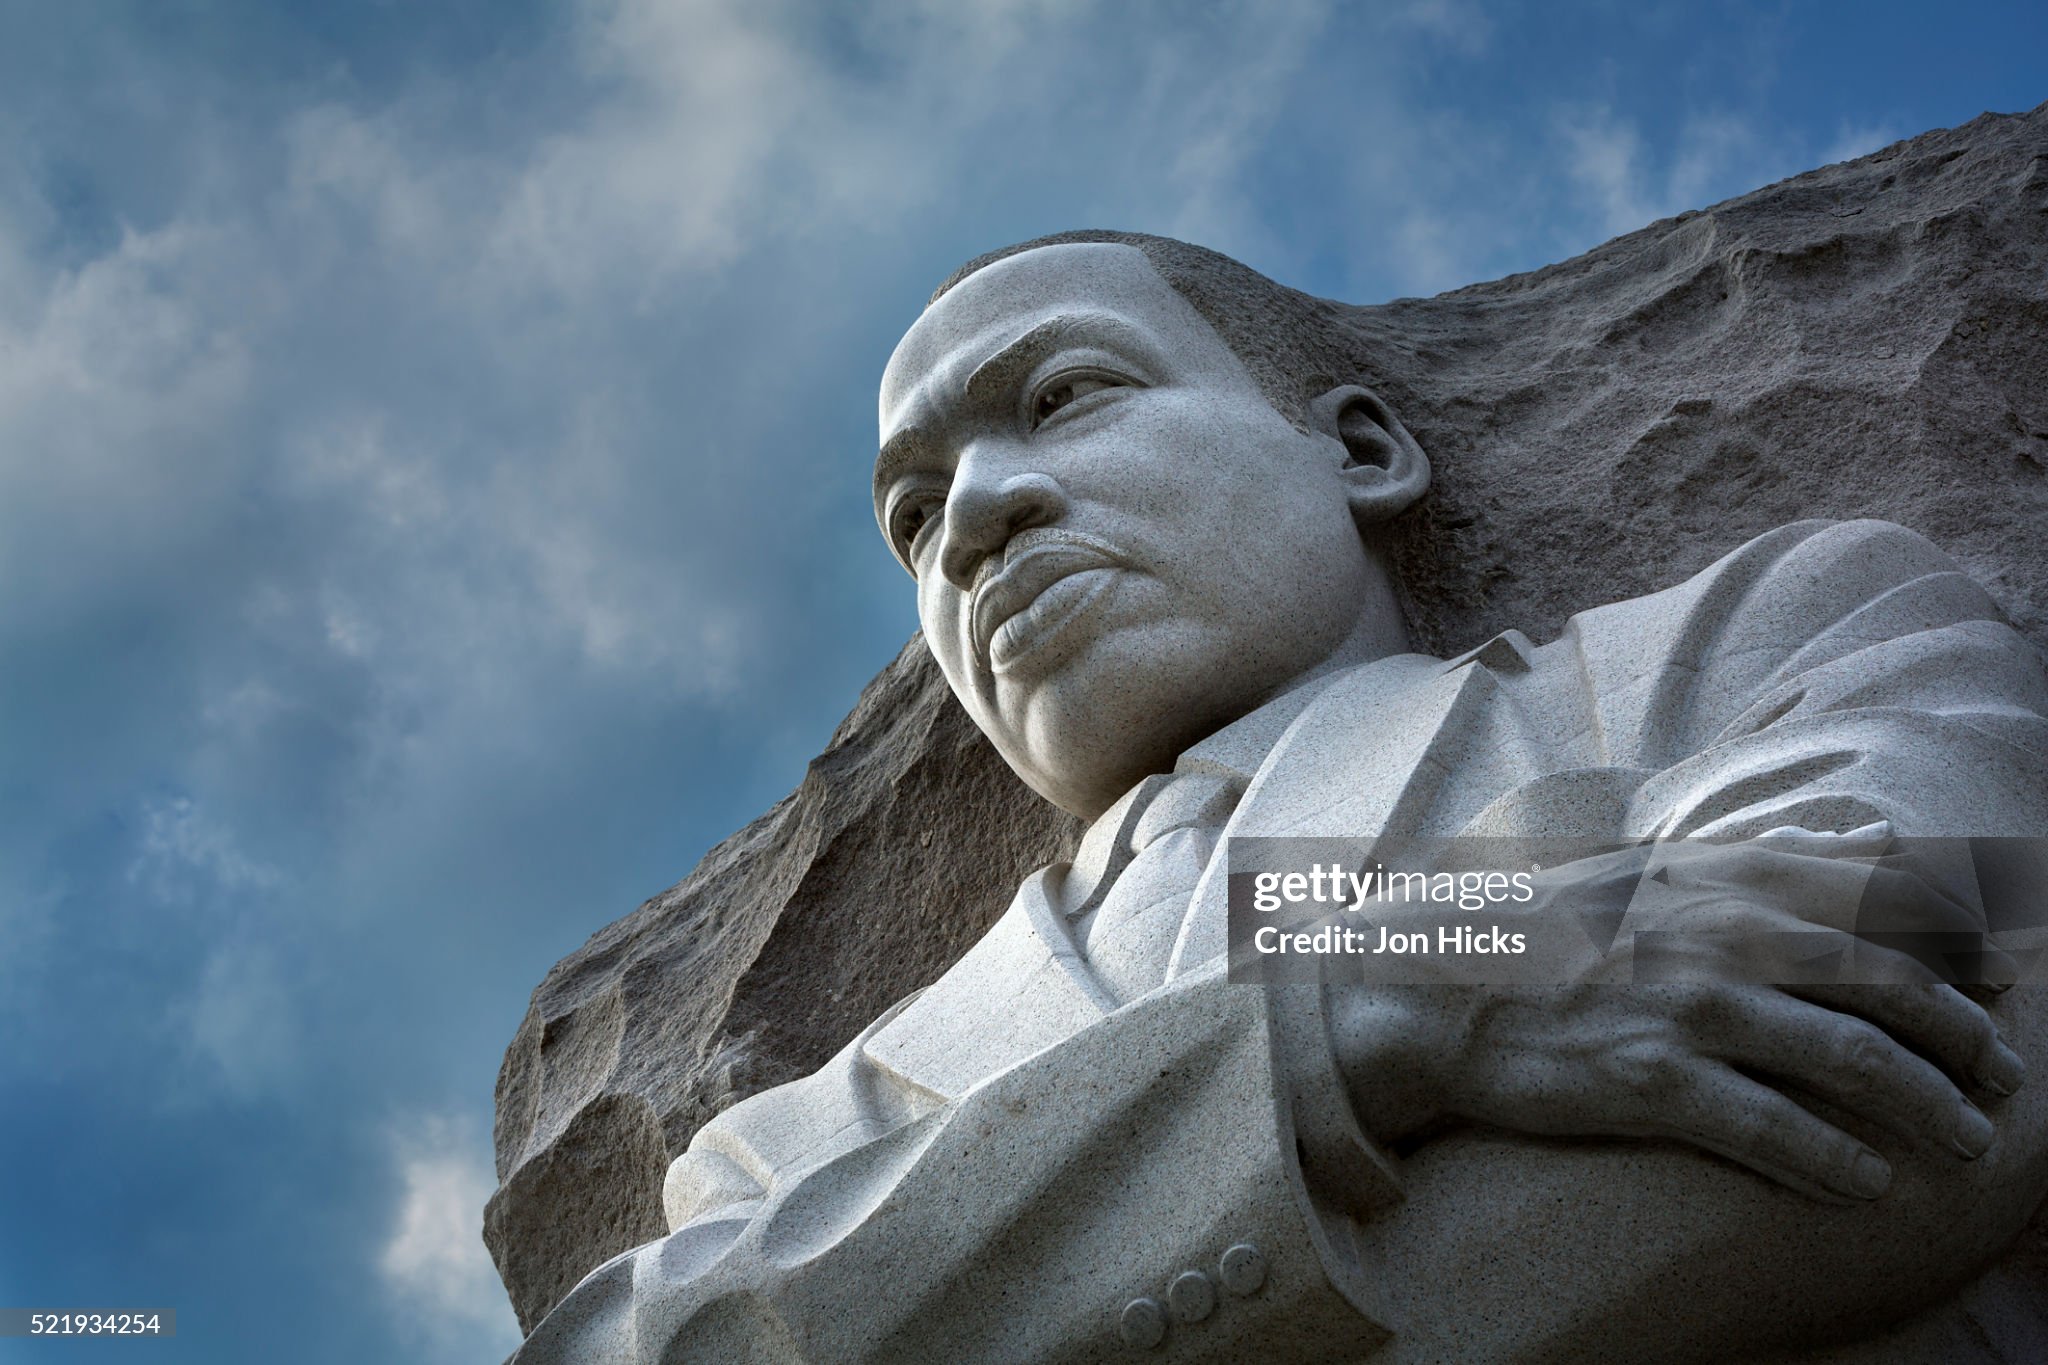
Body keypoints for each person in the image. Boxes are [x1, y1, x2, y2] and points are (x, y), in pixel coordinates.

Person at [512, 234, 2048, 1363]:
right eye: (912, 518)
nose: (971, 519)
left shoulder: (1749, 645)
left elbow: (1943, 1000)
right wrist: (1353, 1027)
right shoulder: (779, 1149)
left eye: (1061, 396)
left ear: (1358, 450)